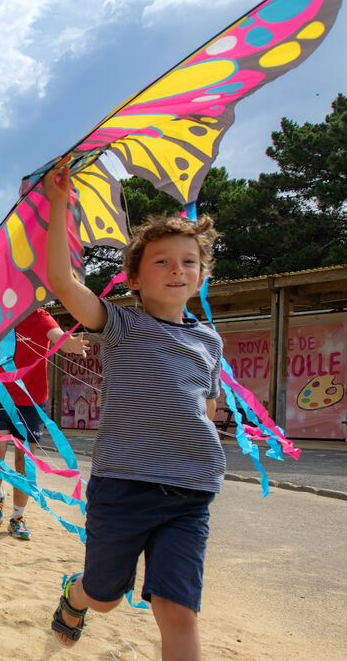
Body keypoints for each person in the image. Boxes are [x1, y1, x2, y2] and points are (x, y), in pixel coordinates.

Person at [44, 164, 223, 659]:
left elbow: (206, 406)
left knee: (177, 610)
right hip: (124, 485)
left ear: (201, 275)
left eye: (188, 262)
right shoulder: (122, 324)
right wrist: (60, 204)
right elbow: (62, 281)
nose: (176, 270)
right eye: (162, 261)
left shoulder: (209, 340)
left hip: (190, 491)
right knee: (103, 598)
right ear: (135, 279)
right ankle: (76, 596)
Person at [0, 308, 88, 540]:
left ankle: (18, 518)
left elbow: (59, 337)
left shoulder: (41, 318)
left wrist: (71, 344)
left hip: (31, 403)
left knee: (23, 464)